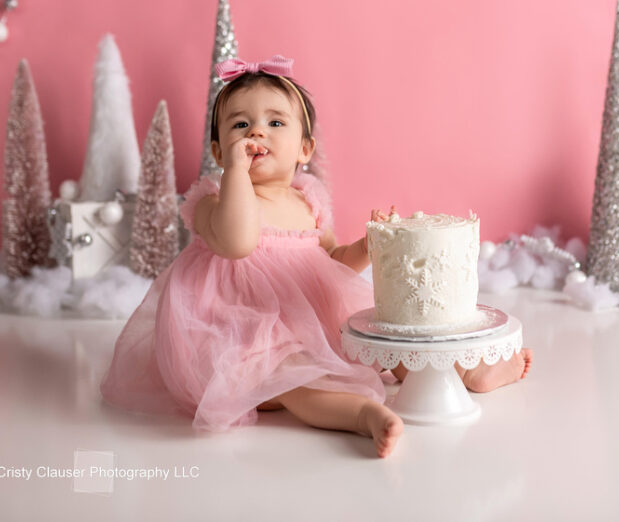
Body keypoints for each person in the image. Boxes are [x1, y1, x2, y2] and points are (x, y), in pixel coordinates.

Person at [100, 55, 530, 458]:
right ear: (217, 152)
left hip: (311, 315)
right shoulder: (215, 201)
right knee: (289, 382)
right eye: (240, 125)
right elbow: (238, 243)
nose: (256, 133)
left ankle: (466, 373)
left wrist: (365, 249)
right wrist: (234, 175)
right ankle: (359, 416)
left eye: (274, 122)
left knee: (388, 347)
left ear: (304, 150)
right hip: (245, 329)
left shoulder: (308, 201)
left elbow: (331, 263)